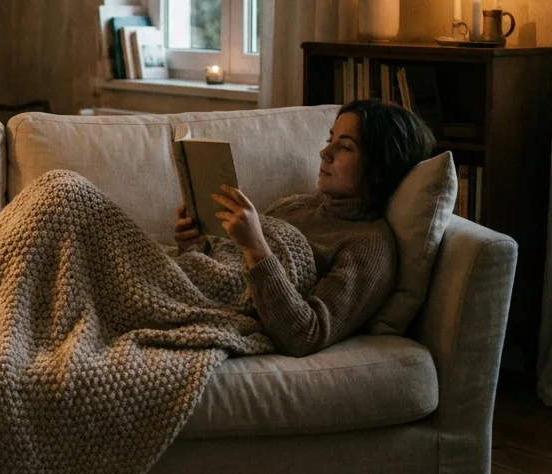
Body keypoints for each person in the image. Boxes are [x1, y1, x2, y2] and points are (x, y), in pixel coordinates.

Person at [173, 98, 435, 356]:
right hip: (187, 288)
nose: (325, 153)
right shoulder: (296, 204)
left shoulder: (370, 246)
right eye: (329, 140)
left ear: (379, 169)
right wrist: (194, 246)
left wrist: (255, 246)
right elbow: (223, 269)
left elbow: (306, 335)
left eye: (345, 147)